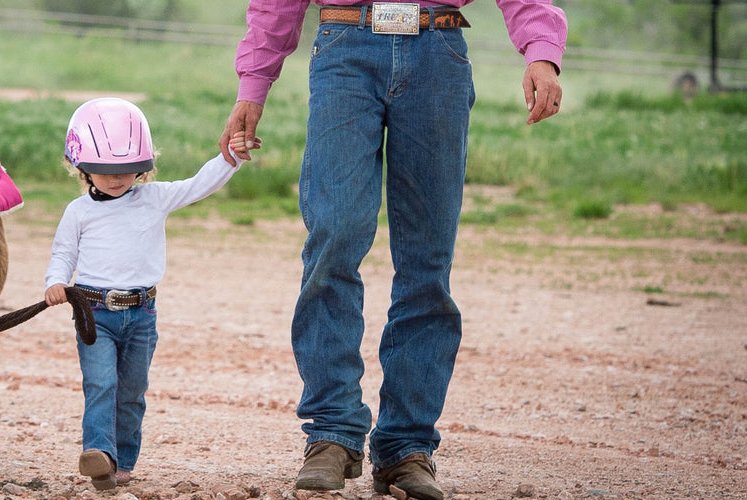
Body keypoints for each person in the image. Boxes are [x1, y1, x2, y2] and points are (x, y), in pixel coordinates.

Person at [218, 2, 566, 499]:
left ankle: (407, 446)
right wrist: (253, 83)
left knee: (427, 259)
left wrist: (542, 51)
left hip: (438, 47)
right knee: (333, 236)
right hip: (345, 45)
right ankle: (332, 433)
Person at [45, 97, 258, 490]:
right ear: (80, 166)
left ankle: (122, 461)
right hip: (93, 314)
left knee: (131, 392)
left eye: (128, 169)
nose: (117, 178)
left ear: (143, 166)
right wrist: (55, 282)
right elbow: (63, 253)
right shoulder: (78, 212)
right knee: (101, 384)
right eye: (104, 170)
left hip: (142, 316)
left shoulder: (155, 198)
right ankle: (99, 454)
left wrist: (232, 156)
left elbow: (199, 184)